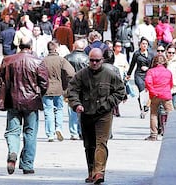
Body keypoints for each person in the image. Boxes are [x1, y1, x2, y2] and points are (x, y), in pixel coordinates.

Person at [67, 48, 125, 184]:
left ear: (102, 60)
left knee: (101, 143)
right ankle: (91, 171)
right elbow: (72, 90)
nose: (94, 63)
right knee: (89, 145)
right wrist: (76, 104)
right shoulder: (81, 75)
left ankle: (99, 172)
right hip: (86, 113)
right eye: (91, 60)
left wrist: (108, 103)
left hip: (104, 114)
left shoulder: (110, 74)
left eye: (97, 60)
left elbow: (120, 91)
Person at [0, 36, 49, 175]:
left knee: (12, 131)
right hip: (31, 101)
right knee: (30, 133)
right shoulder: (38, 61)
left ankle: (13, 151)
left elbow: (0, 82)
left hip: (13, 100)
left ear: (19, 46)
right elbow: (44, 83)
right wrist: (38, 94)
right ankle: (27, 164)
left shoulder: (8, 60)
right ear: (31, 47)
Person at [42, 41, 75, 142]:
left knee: (48, 110)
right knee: (59, 109)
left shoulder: (43, 61)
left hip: (46, 89)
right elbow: (71, 72)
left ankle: (50, 134)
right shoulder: (61, 60)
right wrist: (66, 82)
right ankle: (58, 128)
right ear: (56, 49)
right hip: (59, 88)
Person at [144, 55, 173, 141]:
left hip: (155, 95)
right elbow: (171, 84)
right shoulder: (168, 72)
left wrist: (153, 92)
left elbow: (148, 82)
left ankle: (153, 135)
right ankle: (171, 134)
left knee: (154, 114)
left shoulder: (150, 71)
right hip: (166, 94)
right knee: (171, 114)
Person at [64, 39, 89, 140]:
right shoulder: (87, 59)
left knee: (72, 110)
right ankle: (81, 131)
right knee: (83, 109)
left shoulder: (67, 58)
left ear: (74, 46)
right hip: (84, 87)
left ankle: (73, 132)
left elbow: (63, 73)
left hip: (71, 86)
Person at [126, 37, 154, 118]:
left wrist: (148, 69)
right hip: (139, 75)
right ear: (140, 45)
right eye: (143, 44)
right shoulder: (136, 54)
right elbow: (132, 64)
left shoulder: (151, 54)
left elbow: (153, 66)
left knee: (149, 93)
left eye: (146, 44)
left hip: (148, 75)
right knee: (142, 91)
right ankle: (142, 109)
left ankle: (146, 107)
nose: (144, 45)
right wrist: (128, 74)